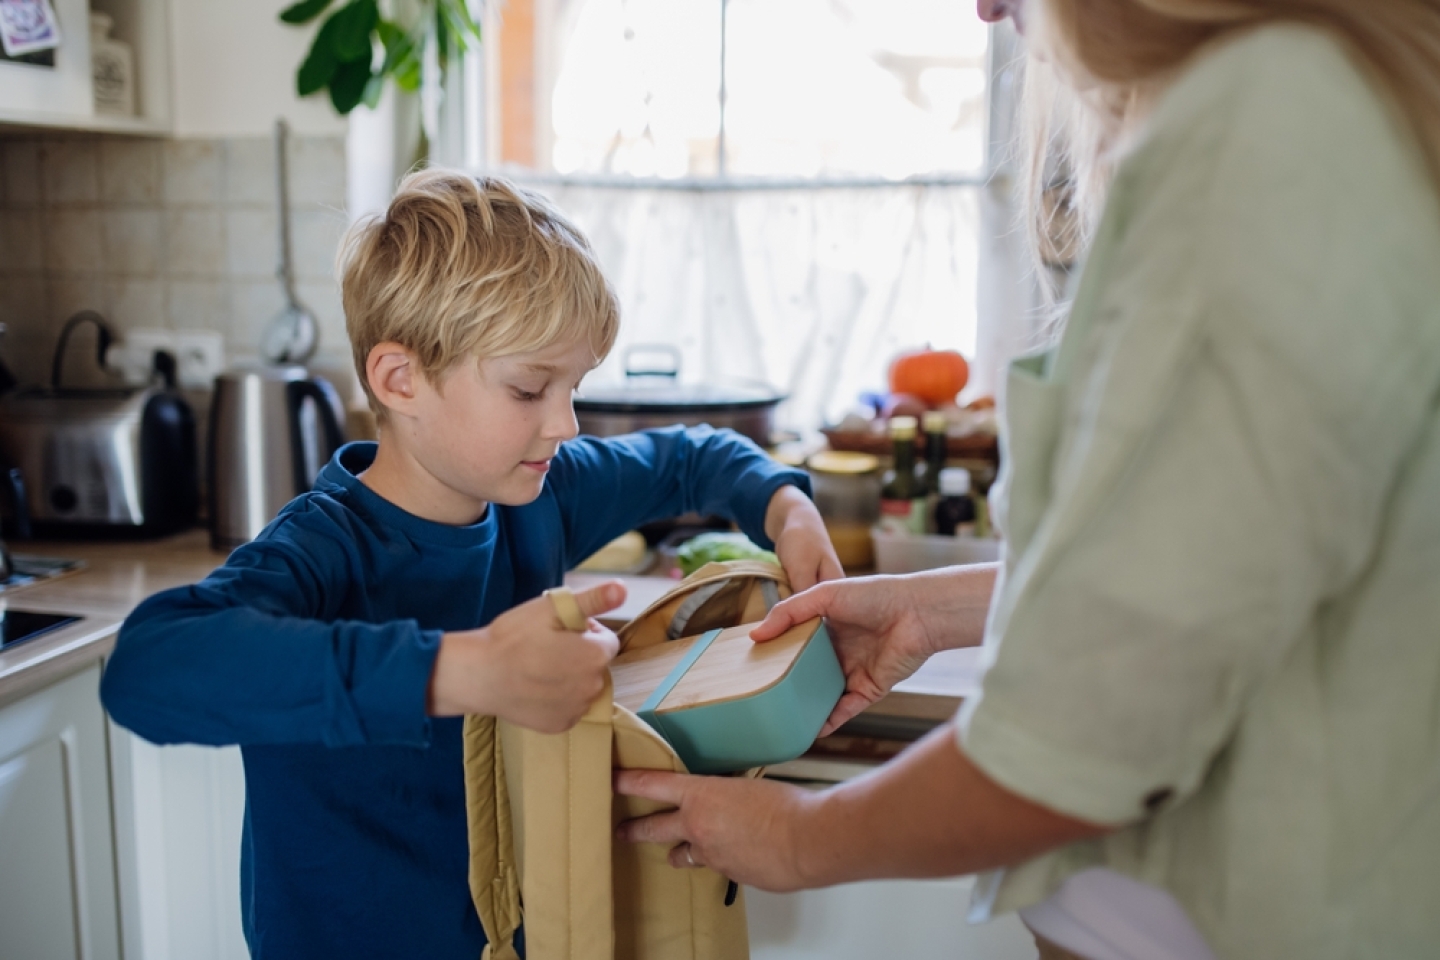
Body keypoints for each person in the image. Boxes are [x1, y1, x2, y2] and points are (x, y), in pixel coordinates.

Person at [615, 1, 1440, 958]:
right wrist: (937, 610)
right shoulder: (1317, 106)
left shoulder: (1261, 133)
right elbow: (1206, 574)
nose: (986, 7)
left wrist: (801, 839)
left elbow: (1092, 728)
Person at [100, 169, 841, 960]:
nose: (565, 423)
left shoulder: (539, 493)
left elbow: (695, 456)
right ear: (400, 379)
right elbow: (145, 668)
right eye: (530, 388)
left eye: (574, 386)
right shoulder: (323, 552)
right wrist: (463, 670)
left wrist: (784, 507)